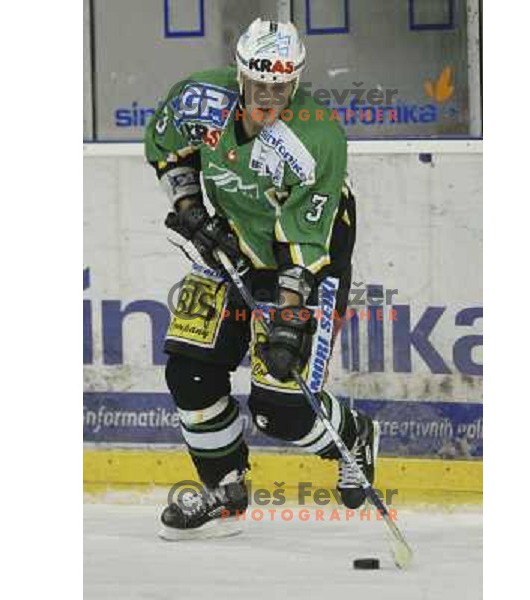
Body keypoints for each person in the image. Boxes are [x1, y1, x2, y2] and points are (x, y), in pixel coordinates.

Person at [145, 17, 379, 539]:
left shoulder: (315, 138)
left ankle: (355, 435)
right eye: (258, 84)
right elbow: (167, 147)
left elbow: (304, 242)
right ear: (239, 74)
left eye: (280, 86)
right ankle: (224, 492)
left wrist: (290, 322)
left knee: (282, 411)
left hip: (303, 256)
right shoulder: (198, 98)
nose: (268, 97)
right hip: (227, 237)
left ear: (295, 81)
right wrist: (189, 208)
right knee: (189, 372)